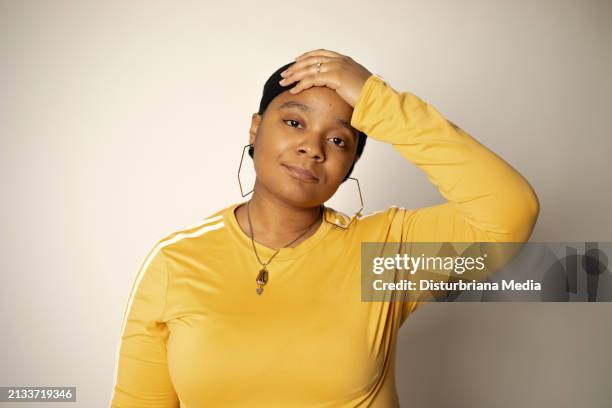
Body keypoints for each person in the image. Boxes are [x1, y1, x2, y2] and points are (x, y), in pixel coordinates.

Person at [110, 49, 539, 407]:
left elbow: (508, 212)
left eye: (338, 140)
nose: (311, 148)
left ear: (350, 164)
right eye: (295, 122)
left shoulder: (385, 254)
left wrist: (378, 101)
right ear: (256, 129)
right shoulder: (175, 261)